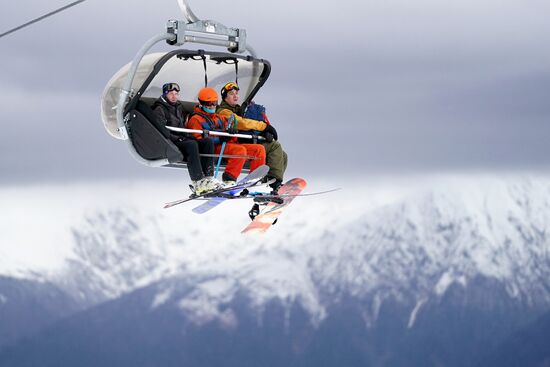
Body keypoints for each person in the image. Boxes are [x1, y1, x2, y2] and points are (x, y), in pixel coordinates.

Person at [217, 82, 288, 194]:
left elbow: (246, 124)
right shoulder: (224, 111)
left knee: (282, 155)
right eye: (231, 94)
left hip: (243, 141)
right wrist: (263, 127)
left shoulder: (239, 109)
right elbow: (241, 123)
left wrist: (262, 133)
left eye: (236, 93)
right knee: (273, 147)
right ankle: (272, 184)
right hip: (231, 145)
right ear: (225, 97)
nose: (235, 96)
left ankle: (268, 184)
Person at [186, 87, 266, 185]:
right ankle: (229, 179)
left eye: (214, 103)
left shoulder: (220, 118)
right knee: (239, 150)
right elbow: (198, 140)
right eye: (208, 103)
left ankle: (255, 180)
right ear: (201, 103)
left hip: (226, 145)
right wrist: (219, 139)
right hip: (212, 148)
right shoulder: (196, 119)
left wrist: (231, 133)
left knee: (258, 149)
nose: (212, 106)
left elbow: (232, 138)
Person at [152, 82, 222, 195]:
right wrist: (178, 139)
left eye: (176, 94)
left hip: (181, 137)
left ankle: (209, 178)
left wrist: (187, 136)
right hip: (170, 141)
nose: (174, 96)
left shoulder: (178, 107)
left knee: (207, 142)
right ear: (165, 95)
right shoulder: (159, 109)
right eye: (171, 94)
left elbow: (183, 125)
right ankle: (198, 181)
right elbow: (162, 130)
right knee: (191, 145)